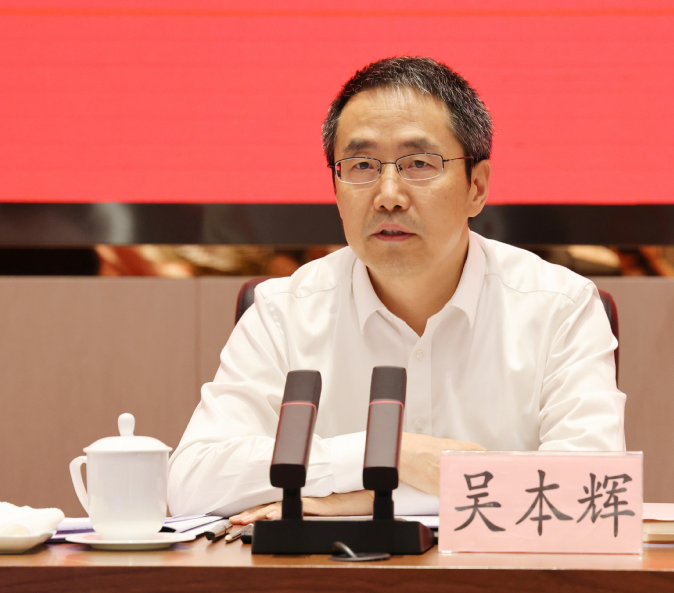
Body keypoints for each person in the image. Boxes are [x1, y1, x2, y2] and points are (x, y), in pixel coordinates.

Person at [168, 57, 625, 523]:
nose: (388, 195)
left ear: (477, 187)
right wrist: (386, 454)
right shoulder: (281, 313)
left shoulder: (561, 307)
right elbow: (192, 483)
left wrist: (365, 500)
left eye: (419, 164)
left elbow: (591, 490)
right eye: (361, 165)